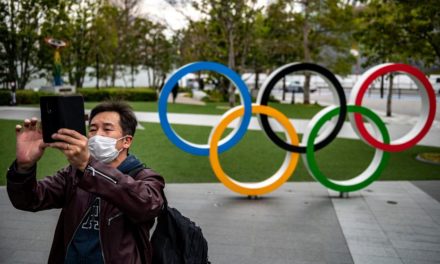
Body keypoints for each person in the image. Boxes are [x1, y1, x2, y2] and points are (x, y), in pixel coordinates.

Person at [6, 100, 165, 264]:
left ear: (126, 141)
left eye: (107, 129)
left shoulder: (146, 178)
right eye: (93, 129)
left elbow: (146, 205)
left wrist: (89, 167)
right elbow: (30, 200)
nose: (97, 135)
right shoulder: (72, 174)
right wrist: (24, 168)